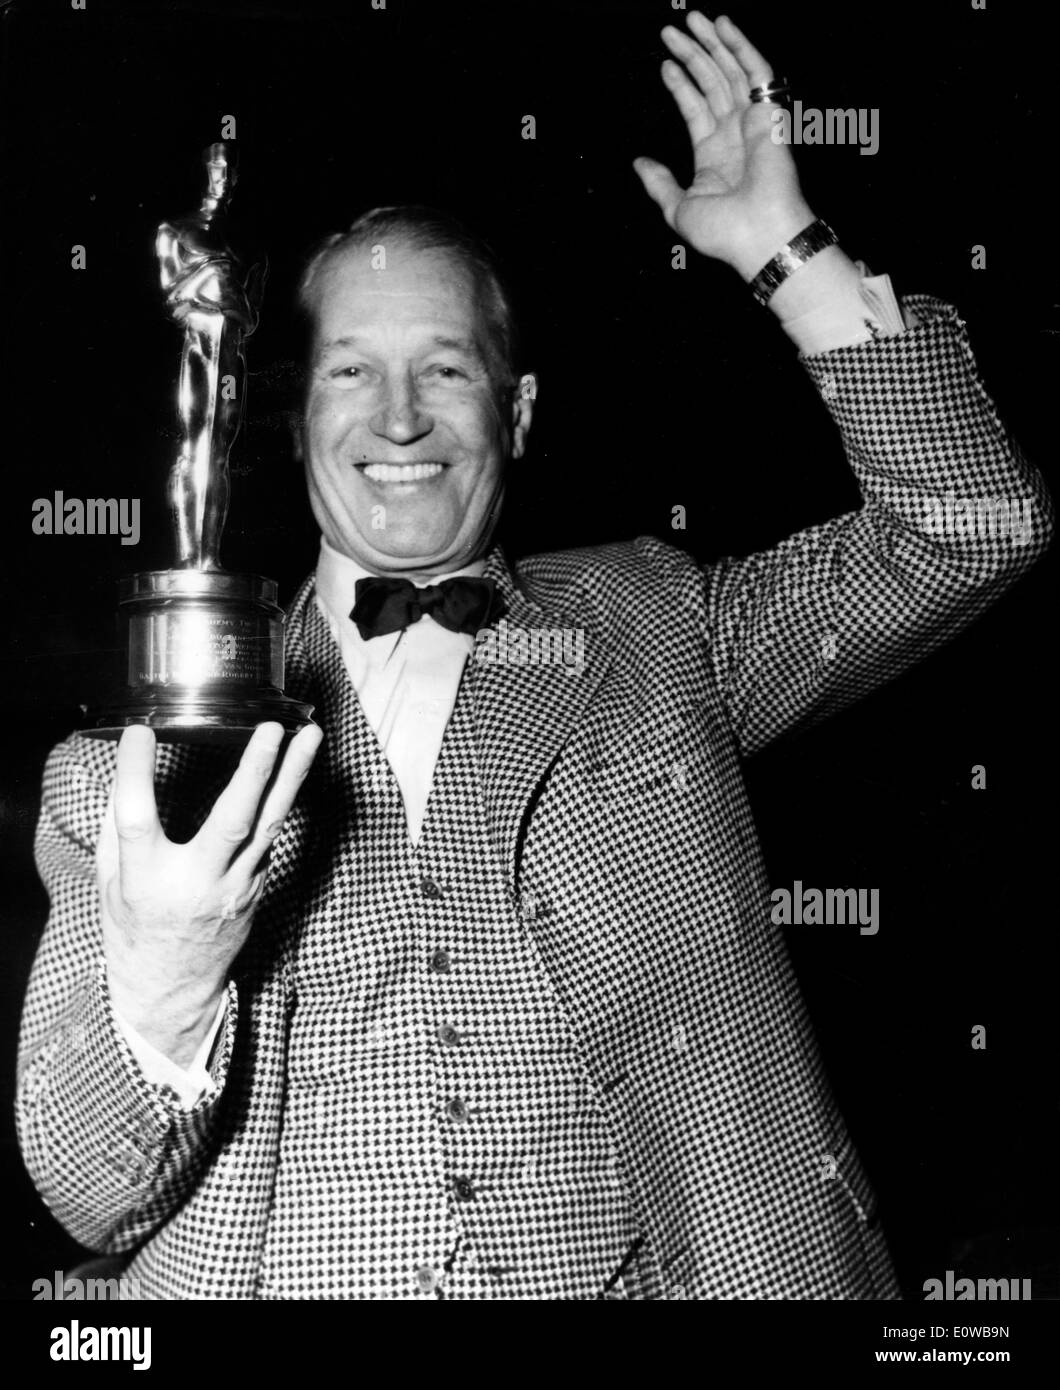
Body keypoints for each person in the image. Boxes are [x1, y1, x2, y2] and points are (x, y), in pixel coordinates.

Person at [17, 13, 1051, 1300]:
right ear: (293, 416)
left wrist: (787, 257)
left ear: (516, 412)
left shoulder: (658, 619)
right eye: (353, 371)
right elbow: (89, 1187)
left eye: (444, 371)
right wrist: (167, 970)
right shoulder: (121, 770)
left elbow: (969, 527)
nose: (400, 419)